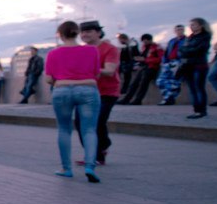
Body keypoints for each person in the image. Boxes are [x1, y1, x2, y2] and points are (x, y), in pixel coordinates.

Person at [45, 20, 101, 182]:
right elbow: (96, 73)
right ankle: (90, 166)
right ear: (77, 33)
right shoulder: (92, 51)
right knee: (89, 129)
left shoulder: (53, 54)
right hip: (88, 89)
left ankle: (66, 168)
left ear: (60, 35)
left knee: (64, 129)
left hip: (62, 90)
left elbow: (49, 79)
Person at [78, 20, 119, 165]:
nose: (84, 34)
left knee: (98, 121)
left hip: (107, 92)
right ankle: (93, 154)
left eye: (88, 31)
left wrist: (89, 70)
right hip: (86, 92)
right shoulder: (81, 50)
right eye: (82, 32)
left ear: (98, 33)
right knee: (79, 123)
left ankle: (102, 147)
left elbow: (109, 71)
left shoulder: (109, 49)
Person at [180, 18, 212, 118]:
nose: (191, 26)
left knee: (199, 88)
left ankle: (202, 111)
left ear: (200, 25)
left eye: (193, 24)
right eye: (191, 25)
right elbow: (181, 49)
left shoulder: (205, 36)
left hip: (199, 65)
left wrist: (187, 50)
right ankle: (196, 110)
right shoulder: (190, 37)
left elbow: (199, 50)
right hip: (188, 65)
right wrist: (188, 50)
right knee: (192, 89)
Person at [118, 34, 161, 105]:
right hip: (143, 67)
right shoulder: (144, 47)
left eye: (145, 41)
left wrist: (146, 60)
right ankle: (126, 99)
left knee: (143, 83)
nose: (144, 42)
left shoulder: (157, 47)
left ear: (149, 40)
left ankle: (138, 100)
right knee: (134, 83)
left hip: (152, 68)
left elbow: (159, 59)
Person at [157, 24, 185, 105]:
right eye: (177, 30)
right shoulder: (172, 41)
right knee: (160, 81)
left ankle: (169, 99)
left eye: (181, 29)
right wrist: (164, 61)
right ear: (175, 31)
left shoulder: (186, 40)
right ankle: (167, 96)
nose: (179, 31)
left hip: (179, 62)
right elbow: (166, 52)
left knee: (174, 82)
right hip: (169, 62)